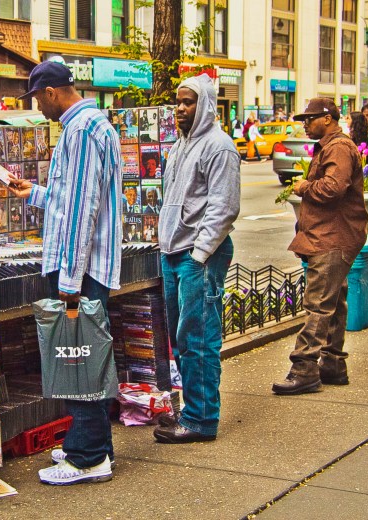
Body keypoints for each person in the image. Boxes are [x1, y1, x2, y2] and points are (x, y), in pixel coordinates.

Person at [8, 60, 121, 485]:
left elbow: (81, 211)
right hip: (85, 265)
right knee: (81, 354)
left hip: (83, 269)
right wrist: (34, 192)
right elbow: (70, 199)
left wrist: (70, 283)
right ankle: (91, 445)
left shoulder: (81, 130)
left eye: (37, 99)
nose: (38, 108)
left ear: (52, 92)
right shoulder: (88, 126)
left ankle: (88, 457)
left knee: (79, 357)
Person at [152, 74, 239, 444]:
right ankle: (192, 410)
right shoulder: (180, 146)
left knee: (199, 339)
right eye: (178, 103)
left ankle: (202, 419)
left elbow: (224, 206)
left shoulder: (219, 147)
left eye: (188, 103)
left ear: (204, 105)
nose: (180, 109)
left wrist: (200, 254)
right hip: (174, 253)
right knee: (181, 339)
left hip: (197, 255)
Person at [272, 98, 368, 395]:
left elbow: (332, 188)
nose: (305, 123)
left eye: (310, 118)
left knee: (318, 304)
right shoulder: (332, 145)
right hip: (332, 236)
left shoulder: (338, 147)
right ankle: (332, 364)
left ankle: (304, 368)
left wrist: (303, 187)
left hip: (332, 237)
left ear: (327, 118)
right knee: (334, 301)